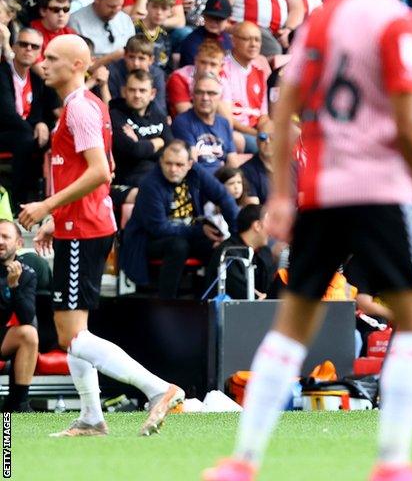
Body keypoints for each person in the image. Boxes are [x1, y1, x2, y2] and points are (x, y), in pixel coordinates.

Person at [203, 0, 412, 479]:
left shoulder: (324, 14)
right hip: (381, 188)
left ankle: (242, 460)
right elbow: (409, 118)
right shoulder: (397, 22)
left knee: (291, 324)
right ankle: (392, 462)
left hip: (323, 188)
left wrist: (284, 193)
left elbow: (284, 106)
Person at [18, 34, 183, 438]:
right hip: (82, 222)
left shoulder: (80, 108)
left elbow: (100, 172)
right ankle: (92, 417)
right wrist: (60, 216)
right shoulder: (86, 106)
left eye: (54, 58)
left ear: (78, 65)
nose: (44, 63)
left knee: (70, 336)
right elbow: (101, 163)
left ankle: (158, 389)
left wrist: (48, 206)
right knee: (76, 331)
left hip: (85, 227)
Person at [121, 140, 238, 298]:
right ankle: (167, 302)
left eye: (179, 164)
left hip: (187, 232)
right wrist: (199, 230)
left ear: (190, 164)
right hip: (148, 240)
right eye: (168, 163)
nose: (173, 169)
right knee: (178, 246)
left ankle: (207, 300)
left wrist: (236, 235)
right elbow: (159, 229)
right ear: (161, 161)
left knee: (220, 246)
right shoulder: (150, 184)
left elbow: (223, 197)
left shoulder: (195, 172)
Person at [0, 27, 56, 209]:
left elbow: (40, 110)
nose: (28, 49)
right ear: (14, 47)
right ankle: (18, 202)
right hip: (5, 131)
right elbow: (6, 113)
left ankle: (50, 199)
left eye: (34, 46)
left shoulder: (37, 77)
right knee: (25, 139)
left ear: (40, 52)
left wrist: (41, 123)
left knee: (55, 138)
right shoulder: (2, 73)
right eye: (23, 44)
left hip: (24, 132)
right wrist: (33, 128)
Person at [110, 70, 173, 207]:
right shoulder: (115, 115)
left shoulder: (159, 116)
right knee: (149, 197)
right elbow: (133, 150)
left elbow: (170, 150)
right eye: (132, 90)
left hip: (157, 179)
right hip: (125, 183)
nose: (137, 95)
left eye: (142, 90)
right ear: (124, 91)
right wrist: (157, 142)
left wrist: (140, 143)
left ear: (152, 94)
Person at [0, 218, 38, 412]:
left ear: (19, 243)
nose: (0, 241)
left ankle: (18, 404)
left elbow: (26, 318)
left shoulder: (27, 273)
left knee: (28, 334)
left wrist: (14, 287)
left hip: (1, 335)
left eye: (5, 237)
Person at [172, 73, 239, 172]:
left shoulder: (224, 123)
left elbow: (233, 163)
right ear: (192, 95)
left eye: (211, 93)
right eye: (199, 92)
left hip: (221, 181)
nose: (205, 98)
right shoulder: (182, 122)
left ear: (219, 97)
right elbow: (192, 166)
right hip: (199, 182)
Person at [206, 204, 275, 300]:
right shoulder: (227, 253)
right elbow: (239, 291)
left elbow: (271, 287)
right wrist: (261, 298)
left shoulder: (265, 252)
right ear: (257, 226)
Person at [221, 21, 271, 153]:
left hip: (255, 131)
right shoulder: (222, 68)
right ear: (233, 41)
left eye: (257, 40)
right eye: (247, 39)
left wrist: (266, 132)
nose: (253, 44)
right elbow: (226, 118)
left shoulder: (260, 72)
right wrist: (258, 135)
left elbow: (263, 116)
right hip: (234, 132)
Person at [67, 0, 134, 65]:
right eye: (111, 6)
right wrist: (111, 58)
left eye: (120, 6)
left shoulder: (125, 19)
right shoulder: (76, 21)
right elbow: (77, 63)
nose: (116, 11)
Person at [106, 35, 168, 110]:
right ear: (125, 56)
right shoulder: (113, 71)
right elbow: (111, 106)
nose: (136, 63)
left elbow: (160, 107)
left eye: (141, 58)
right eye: (131, 57)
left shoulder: (157, 74)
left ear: (151, 60)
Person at [178, 0, 233, 68]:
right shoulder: (193, 42)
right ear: (204, 16)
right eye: (210, 18)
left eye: (218, 19)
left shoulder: (228, 38)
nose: (213, 23)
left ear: (228, 20)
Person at [239, 130, 272, 203]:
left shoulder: (293, 165)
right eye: (263, 138)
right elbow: (254, 209)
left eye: (273, 137)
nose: (267, 141)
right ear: (257, 142)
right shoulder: (245, 171)